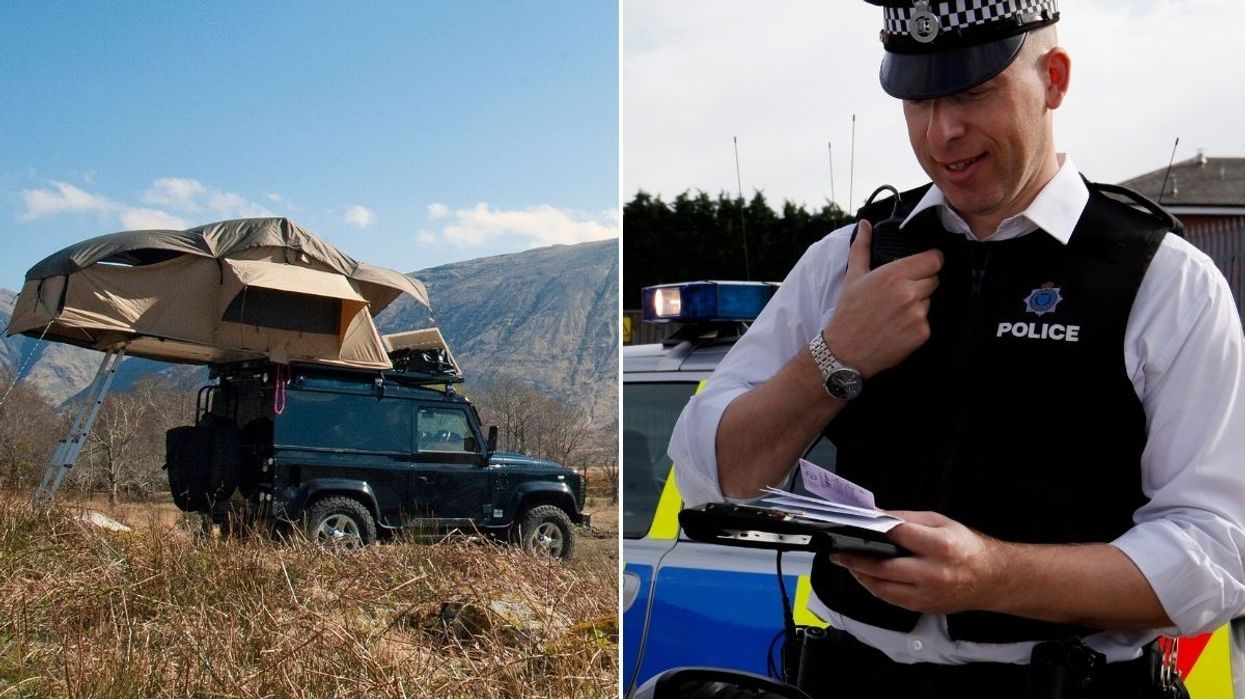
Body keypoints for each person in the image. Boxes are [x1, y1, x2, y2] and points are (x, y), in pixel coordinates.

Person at [667, 0, 1245, 696]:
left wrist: (993, 574)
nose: (941, 133)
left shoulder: (1163, 279)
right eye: (917, 99)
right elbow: (709, 477)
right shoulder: (846, 259)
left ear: (1054, 79)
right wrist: (833, 355)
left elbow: (1219, 549)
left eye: (971, 92)